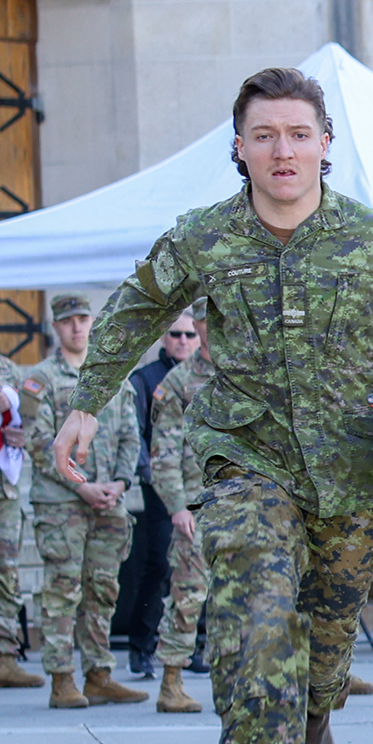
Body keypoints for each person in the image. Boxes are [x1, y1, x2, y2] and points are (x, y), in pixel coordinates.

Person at [54, 66, 373, 744]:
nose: (281, 150)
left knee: (322, 646)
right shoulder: (203, 238)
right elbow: (136, 311)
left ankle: (316, 711)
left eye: (297, 134)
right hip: (244, 462)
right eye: (264, 136)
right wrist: (84, 403)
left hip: (353, 476)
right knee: (253, 621)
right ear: (239, 150)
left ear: (325, 147)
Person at [26, 294, 145, 709]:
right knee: (63, 590)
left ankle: (98, 674)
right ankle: (62, 679)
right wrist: (82, 487)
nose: (77, 327)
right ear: (55, 328)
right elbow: (38, 443)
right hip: (62, 505)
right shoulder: (41, 379)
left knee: (103, 588)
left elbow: (133, 436)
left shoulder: (114, 378)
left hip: (109, 502)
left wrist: (119, 482)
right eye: (67, 321)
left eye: (82, 319)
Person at [114, 310, 198, 678]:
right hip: (162, 488)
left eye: (189, 335)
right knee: (160, 566)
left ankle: (194, 646)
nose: (182, 340)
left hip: (202, 489)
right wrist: (156, 482)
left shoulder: (217, 377)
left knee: (200, 569)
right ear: (164, 338)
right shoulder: (147, 379)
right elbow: (138, 435)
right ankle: (142, 645)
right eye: (176, 334)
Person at [146, 300, 214, 714]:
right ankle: (171, 681)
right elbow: (164, 453)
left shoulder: (246, 372)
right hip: (196, 505)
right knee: (187, 595)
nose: (207, 330)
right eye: (202, 323)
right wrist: (177, 506)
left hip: (246, 501)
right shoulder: (177, 383)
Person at [0, 295, 41, 689]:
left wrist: (23, 432)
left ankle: (4, 658)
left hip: (5, 489)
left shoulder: (7, 369)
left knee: (4, 574)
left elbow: (31, 419)